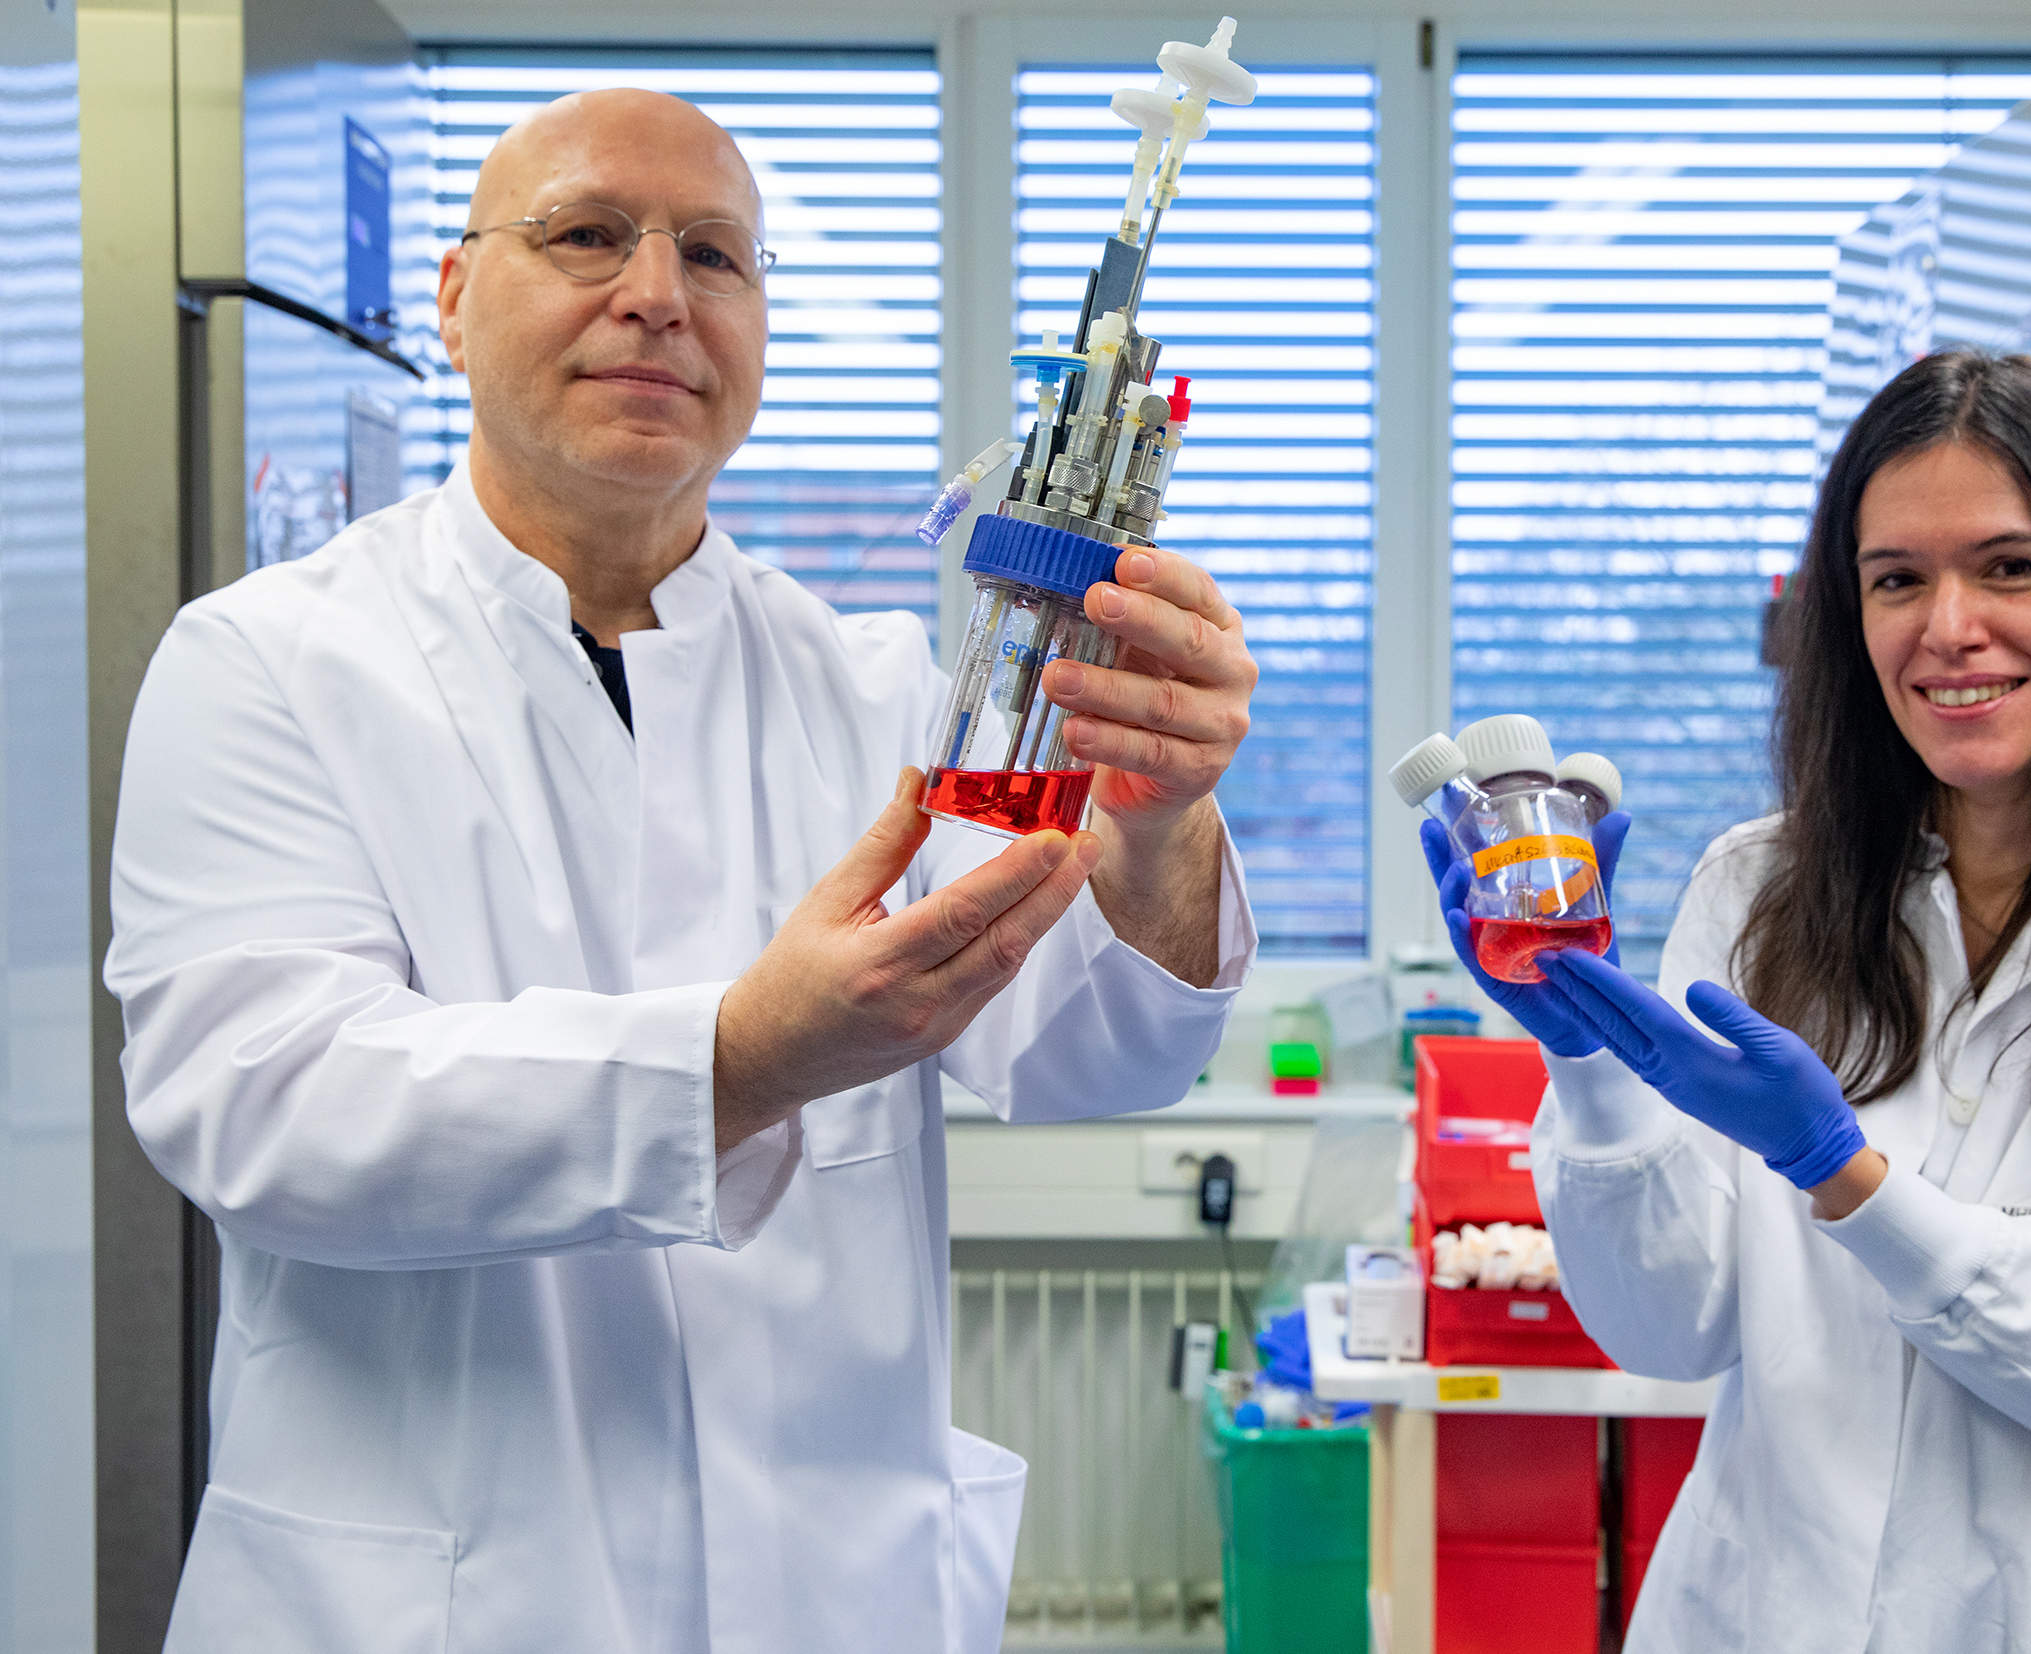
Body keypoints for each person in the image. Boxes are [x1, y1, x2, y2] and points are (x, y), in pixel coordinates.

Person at [108, 90, 1260, 1654]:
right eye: (586, 234)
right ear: (452, 300)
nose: (657, 291)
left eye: (715, 256)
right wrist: (737, 1057)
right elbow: (263, 1104)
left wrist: (1158, 823)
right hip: (426, 1607)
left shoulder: (876, 688)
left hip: (830, 1595)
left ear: (758, 330)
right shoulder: (267, 663)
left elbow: (1089, 1045)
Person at [1425, 352, 2031, 1653]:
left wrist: (1851, 1181)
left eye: (2011, 566)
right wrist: (1591, 1065)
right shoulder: (1763, 887)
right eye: (1897, 578)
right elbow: (1672, 1325)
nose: (1948, 624)